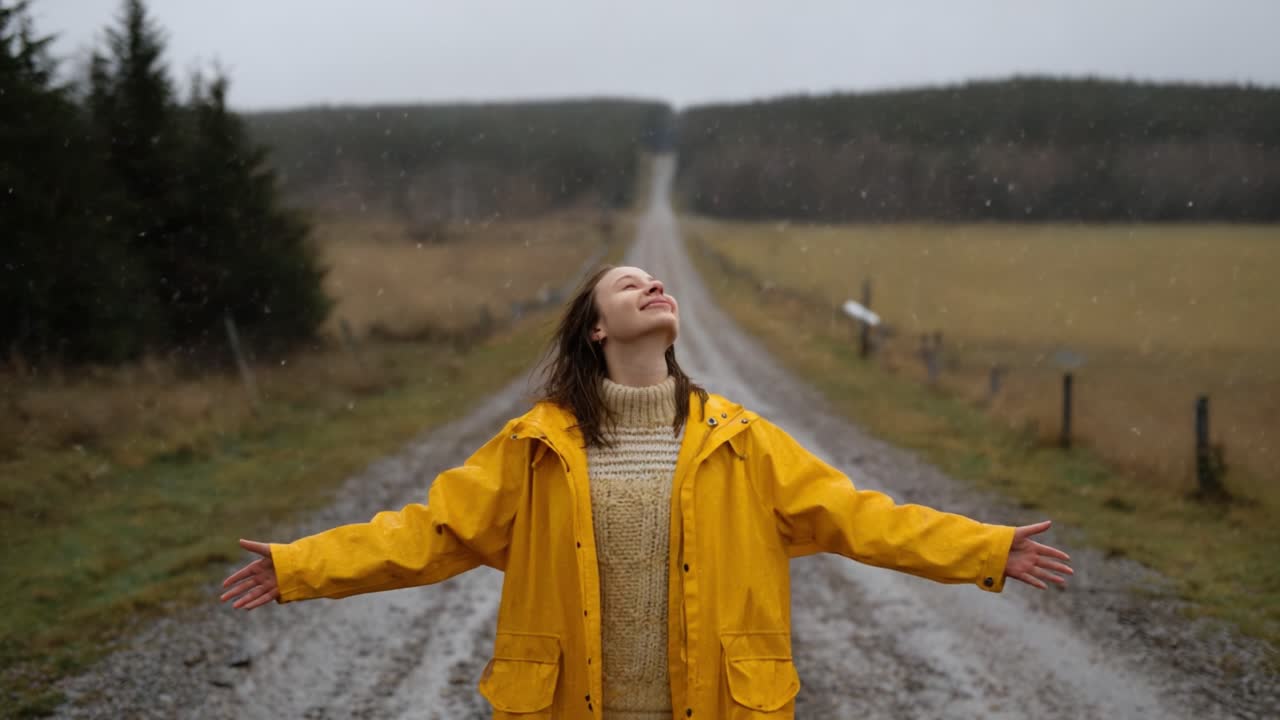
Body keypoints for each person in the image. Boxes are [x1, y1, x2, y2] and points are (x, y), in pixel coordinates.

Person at [220, 264, 1073, 719]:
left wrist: (986, 548)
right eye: (628, 284)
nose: (651, 285)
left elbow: (861, 519)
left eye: (657, 280)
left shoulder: (742, 441)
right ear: (598, 327)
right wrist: (301, 566)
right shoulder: (535, 446)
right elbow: (429, 532)